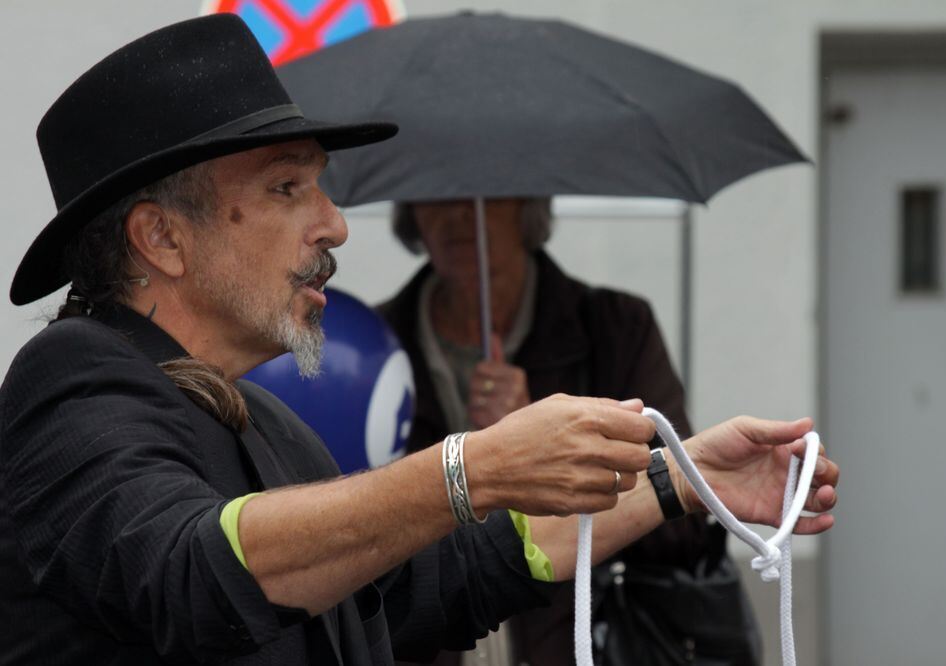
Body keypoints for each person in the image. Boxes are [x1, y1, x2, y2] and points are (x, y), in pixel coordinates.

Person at [0, 14, 840, 666]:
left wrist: (680, 478)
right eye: (288, 186)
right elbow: (190, 571)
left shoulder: (264, 424)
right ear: (162, 239)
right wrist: (471, 467)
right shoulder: (76, 380)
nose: (333, 226)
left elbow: (434, 580)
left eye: (322, 189)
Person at [380, 198, 755, 666]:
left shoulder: (615, 328)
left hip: (575, 646)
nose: (456, 216)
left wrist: (543, 445)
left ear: (527, 206)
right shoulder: (375, 346)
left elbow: (680, 529)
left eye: (484, 198)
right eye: (434, 198)